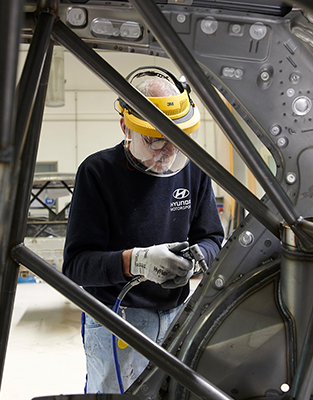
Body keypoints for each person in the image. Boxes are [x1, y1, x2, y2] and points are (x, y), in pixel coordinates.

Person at [62, 66, 224, 394]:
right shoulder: (98, 173)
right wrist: (136, 261)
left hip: (178, 315)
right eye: (155, 142)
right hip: (115, 319)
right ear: (126, 127)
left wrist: (198, 257)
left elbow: (212, 237)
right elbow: (76, 267)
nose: (167, 154)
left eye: (176, 143)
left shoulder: (193, 171)